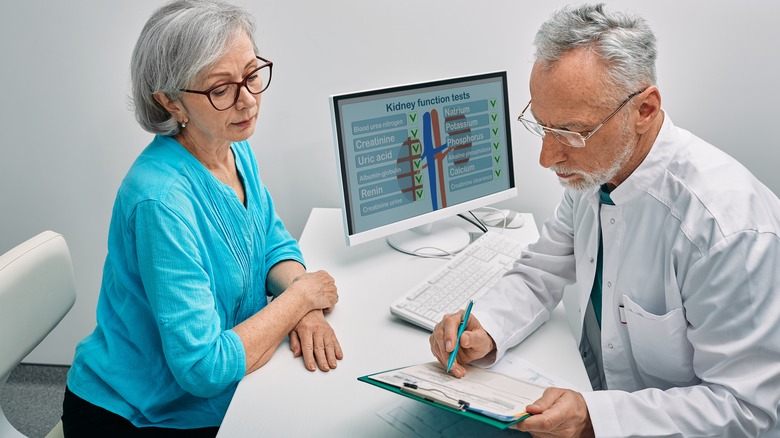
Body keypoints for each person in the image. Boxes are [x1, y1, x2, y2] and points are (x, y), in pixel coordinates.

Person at [430, 3, 780, 437]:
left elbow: (749, 410)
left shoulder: (726, 229)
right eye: (542, 127)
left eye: (572, 133)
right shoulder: (595, 176)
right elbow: (541, 271)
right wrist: (486, 326)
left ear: (645, 110)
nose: (547, 158)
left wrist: (597, 420)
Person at [62, 0, 343, 435]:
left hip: (224, 384)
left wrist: (303, 304)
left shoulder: (232, 145)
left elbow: (270, 241)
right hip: (142, 413)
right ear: (171, 102)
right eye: (221, 88)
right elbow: (203, 367)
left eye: (252, 74)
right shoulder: (161, 202)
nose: (248, 99)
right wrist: (300, 301)